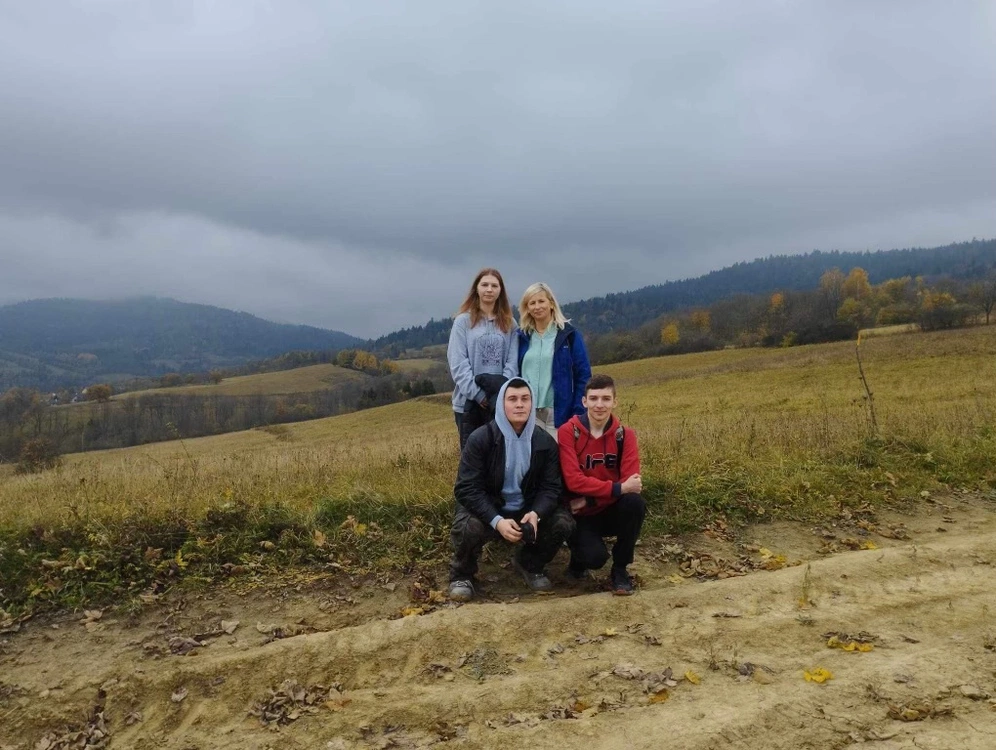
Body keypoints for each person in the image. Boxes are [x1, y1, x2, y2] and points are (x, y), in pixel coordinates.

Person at [448, 378, 576, 602]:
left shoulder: (545, 442)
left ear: (531, 403)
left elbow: (551, 487)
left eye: (525, 399)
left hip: (526, 509)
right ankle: (462, 574)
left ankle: (529, 564)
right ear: (501, 404)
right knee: (468, 526)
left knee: (563, 522)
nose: (519, 404)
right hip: (490, 508)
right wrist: (496, 520)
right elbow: (466, 488)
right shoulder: (480, 439)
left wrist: (536, 514)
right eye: (512, 399)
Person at [558, 374, 646, 596]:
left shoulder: (625, 436)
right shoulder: (568, 432)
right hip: (580, 515)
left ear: (615, 402)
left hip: (604, 508)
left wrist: (590, 499)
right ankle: (578, 559)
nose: (599, 405)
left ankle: (620, 569)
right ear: (584, 401)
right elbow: (573, 480)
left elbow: (631, 484)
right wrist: (617, 488)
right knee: (594, 558)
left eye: (606, 399)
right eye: (594, 398)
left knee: (634, 502)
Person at [447, 268, 519, 449]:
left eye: (494, 285)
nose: (489, 289)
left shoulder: (510, 324)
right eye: (484, 285)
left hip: (501, 403)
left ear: (500, 290)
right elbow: (458, 362)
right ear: (476, 289)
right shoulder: (462, 322)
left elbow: (513, 363)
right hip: (468, 404)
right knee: (472, 456)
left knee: (500, 455)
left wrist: (500, 395)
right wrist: (478, 395)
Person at [516, 282, 591, 438]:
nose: (537, 307)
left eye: (541, 301)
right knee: (532, 454)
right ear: (527, 308)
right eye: (532, 303)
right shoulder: (521, 337)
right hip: (528, 414)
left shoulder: (569, 335)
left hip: (558, 414)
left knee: (558, 454)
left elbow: (583, 376)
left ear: (551, 303)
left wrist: (578, 412)